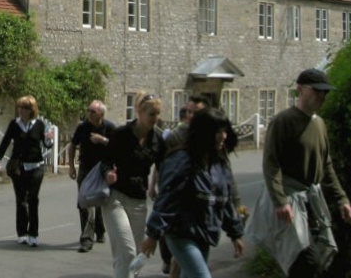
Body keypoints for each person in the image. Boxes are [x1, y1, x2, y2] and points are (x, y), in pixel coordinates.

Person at [256, 68, 351, 277]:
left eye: (325, 92)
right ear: (300, 90)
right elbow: (271, 165)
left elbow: (326, 165)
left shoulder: (319, 124)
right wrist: (280, 201)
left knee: (325, 261)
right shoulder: (284, 121)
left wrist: (341, 199)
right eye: (317, 91)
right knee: (305, 262)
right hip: (291, 201)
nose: (322, 96)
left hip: (312, 202)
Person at [139, 107, 245, 278]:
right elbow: (167, 198)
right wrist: (153, 234)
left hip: (204, 234)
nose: (223, 136)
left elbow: (223, 201)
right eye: (218, 132)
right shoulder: (182, 160)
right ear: (205, 133)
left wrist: (235, 234)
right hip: (180, 234)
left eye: (225, 131)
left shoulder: (218, 163)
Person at [101, 92, 166, 278]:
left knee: (134, 255)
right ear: (139, 112)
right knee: (128, 251)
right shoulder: (121, 134)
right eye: (151, 114)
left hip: (139, 201)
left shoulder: (157, 140)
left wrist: (154, 187)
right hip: (116, 198)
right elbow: (105, 160)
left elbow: (162, 169)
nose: (155, 118)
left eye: (158, 114)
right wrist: (108, 173)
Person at [0, 94, 55, 247]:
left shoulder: (39, 124)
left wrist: (49, 139)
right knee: (21, 200)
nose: (20, 110)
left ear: (31, 109)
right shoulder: (14, 124)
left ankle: (33, 233)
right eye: (19, 107)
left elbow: (47, 145)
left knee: (33, 199)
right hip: (18, 167)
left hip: (36, 166)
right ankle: (22, 233)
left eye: (24, 107)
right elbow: (5, 142)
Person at [158, 94, 210, 275]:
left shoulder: (213, 138)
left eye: (195, 113)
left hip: (202, 217)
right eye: (188, 112)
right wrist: (154, 186)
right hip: (179, 209)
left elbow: (224, 176)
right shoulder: (175, 137)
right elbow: (161, 166)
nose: (190, 116)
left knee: (188, 267)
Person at [69, 99, 115, 253]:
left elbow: (119, 147)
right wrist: (71, 167)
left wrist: (102, 140)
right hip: (86, 168)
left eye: (92, 111)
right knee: (85, 202)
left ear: (101, 114)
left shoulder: (109, 127)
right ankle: (86, 240)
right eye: (88, 110)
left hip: (104, 168)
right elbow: (73, 145)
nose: (89, 113)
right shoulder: (83, 127)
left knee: (100, 200)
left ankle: (100, 230)